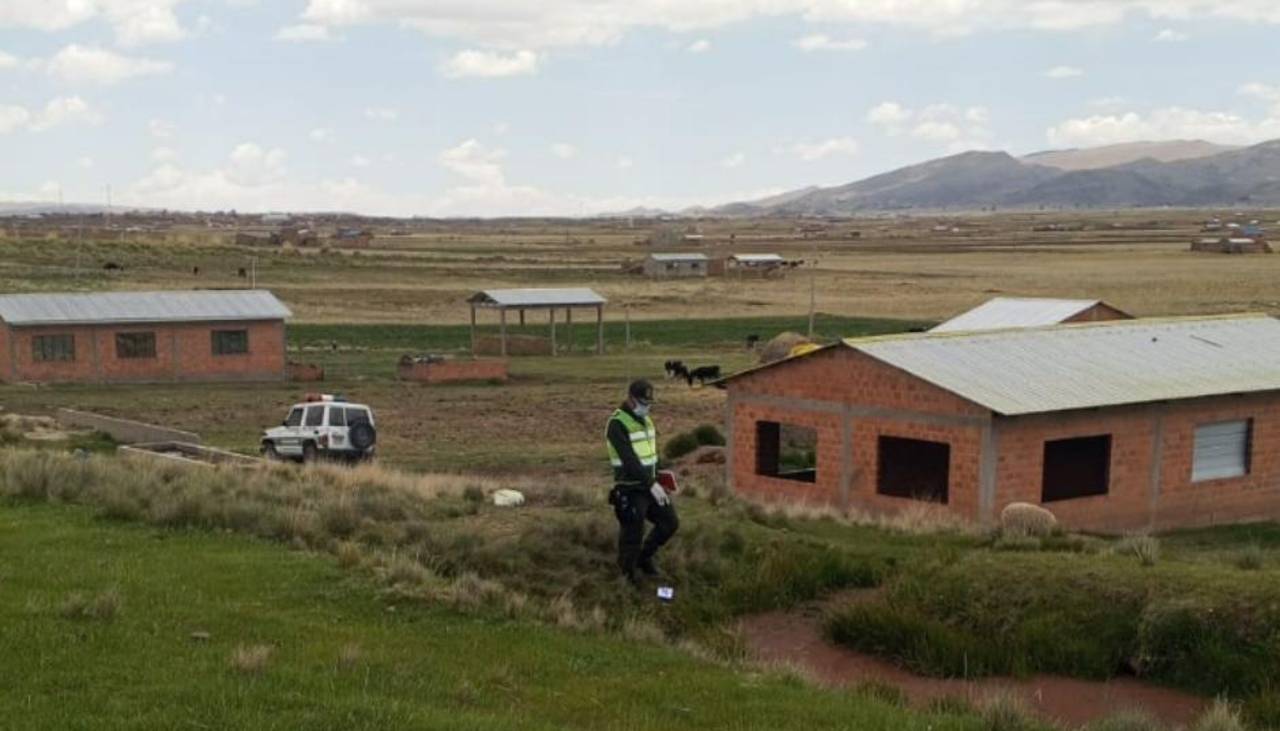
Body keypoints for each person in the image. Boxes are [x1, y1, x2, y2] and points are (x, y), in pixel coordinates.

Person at [606, 379, 679, 585]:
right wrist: (651, 484)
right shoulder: (617, 424)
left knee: (669, 523)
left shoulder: (646, 421)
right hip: (630, 489)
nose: (646, 407)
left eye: (649, 403)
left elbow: (651, 454)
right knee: (632, 534)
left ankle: (644, 558)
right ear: (630, 399)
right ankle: (627, 577)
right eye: (643, 403)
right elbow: (629, 460)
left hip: (651, 486)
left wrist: (661, 476)